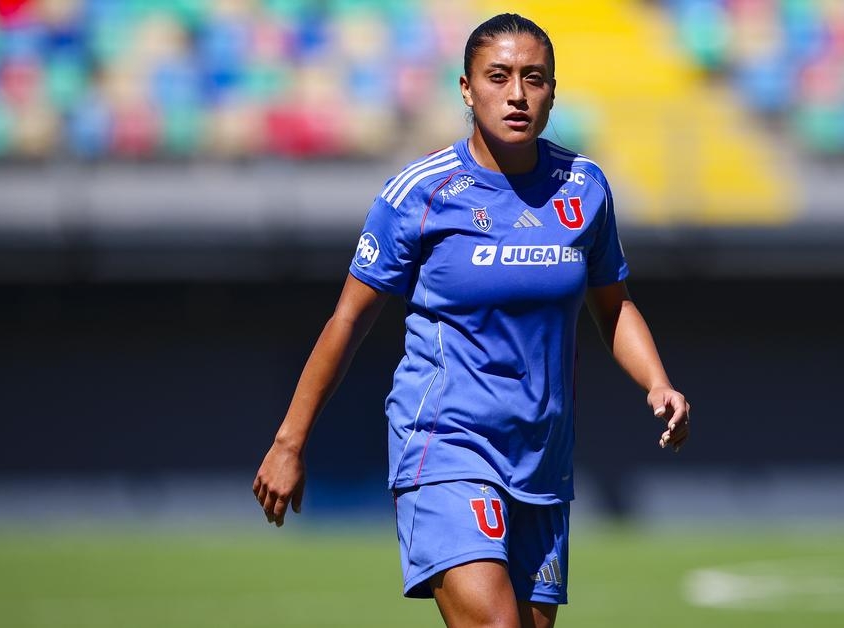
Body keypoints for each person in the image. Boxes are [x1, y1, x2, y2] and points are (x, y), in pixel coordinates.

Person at [253, 13, 690, 628]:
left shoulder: (585, 188)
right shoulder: (419, 194)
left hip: (541, 456)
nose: (517, 94)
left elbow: (613, 306)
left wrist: (658, 383)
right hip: (446, 441)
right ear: (466, 88)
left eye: (534, 78)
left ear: (553, 90)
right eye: (499, 76)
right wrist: (289, 442)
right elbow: (348, 321)